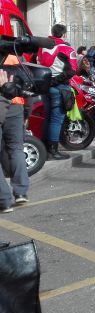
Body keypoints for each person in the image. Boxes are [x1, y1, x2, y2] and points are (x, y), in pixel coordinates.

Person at [36, 24, 78, 160]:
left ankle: (44, 148)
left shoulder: (42, 47)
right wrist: (55, 81)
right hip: (59, 86)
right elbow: (72, 70)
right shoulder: (67, 49)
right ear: (64, 35)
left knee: (48, 117)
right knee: (56, 119)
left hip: (44, 84)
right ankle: (53, 151)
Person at [0, 60, 30, 213]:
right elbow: (26, 86)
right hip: (15, 105)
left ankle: (4, 200)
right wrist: (27, 111)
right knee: (16, 149)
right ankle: (20, 192)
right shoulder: (14, 57)